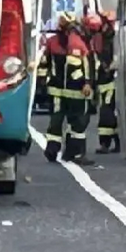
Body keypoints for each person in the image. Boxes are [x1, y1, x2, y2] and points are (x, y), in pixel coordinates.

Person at [42, 11, 96, 165]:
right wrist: (88, 83)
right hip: (75, 92)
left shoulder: (53, 42)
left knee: (57, 120)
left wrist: (43, 81)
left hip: (61, 90)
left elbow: (45, 63)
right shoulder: (78, 42)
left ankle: (54, 150)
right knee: (77, 122)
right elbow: (88, 64)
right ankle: (74, 153)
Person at [91, 11, 120, 153]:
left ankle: (106, 143)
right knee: (109, 111)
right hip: (106, 80)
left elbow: (115, 59)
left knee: (106, 111)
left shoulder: (113, 39)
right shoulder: (104, 38)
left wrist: (107, 68)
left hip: (110, 81)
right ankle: (116, 141)